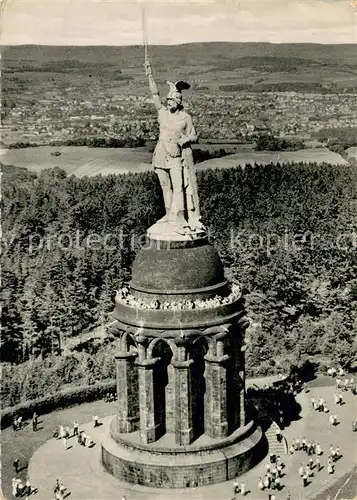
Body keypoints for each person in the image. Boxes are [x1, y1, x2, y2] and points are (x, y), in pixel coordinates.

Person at [144, 56, 204, 235]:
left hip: (176, 155)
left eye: (171, 100)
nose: (168, 102)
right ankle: (169, 213)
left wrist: (186, 140)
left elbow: (194, 136)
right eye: (168, 100)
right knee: (165, 185)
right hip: (161, 153)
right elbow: (154, 94)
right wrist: (149, 75)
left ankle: (180, 217)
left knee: (179, 186)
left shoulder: (186, 118)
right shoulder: (162, 113)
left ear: (178, 102)